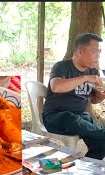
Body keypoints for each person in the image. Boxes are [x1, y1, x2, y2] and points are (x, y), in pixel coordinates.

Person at [43, 32, 105, 160]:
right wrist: (85, 78)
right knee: (72, 118)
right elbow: (56, 87)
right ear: (79, 52)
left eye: (99, 52)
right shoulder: (61, 67)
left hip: (80, 117)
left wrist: (101, 96)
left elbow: (93, 100)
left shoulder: (93, 71)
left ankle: (86, 167)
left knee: (101, 144)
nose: (98, 56)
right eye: (94, 52)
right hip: (56, 117)